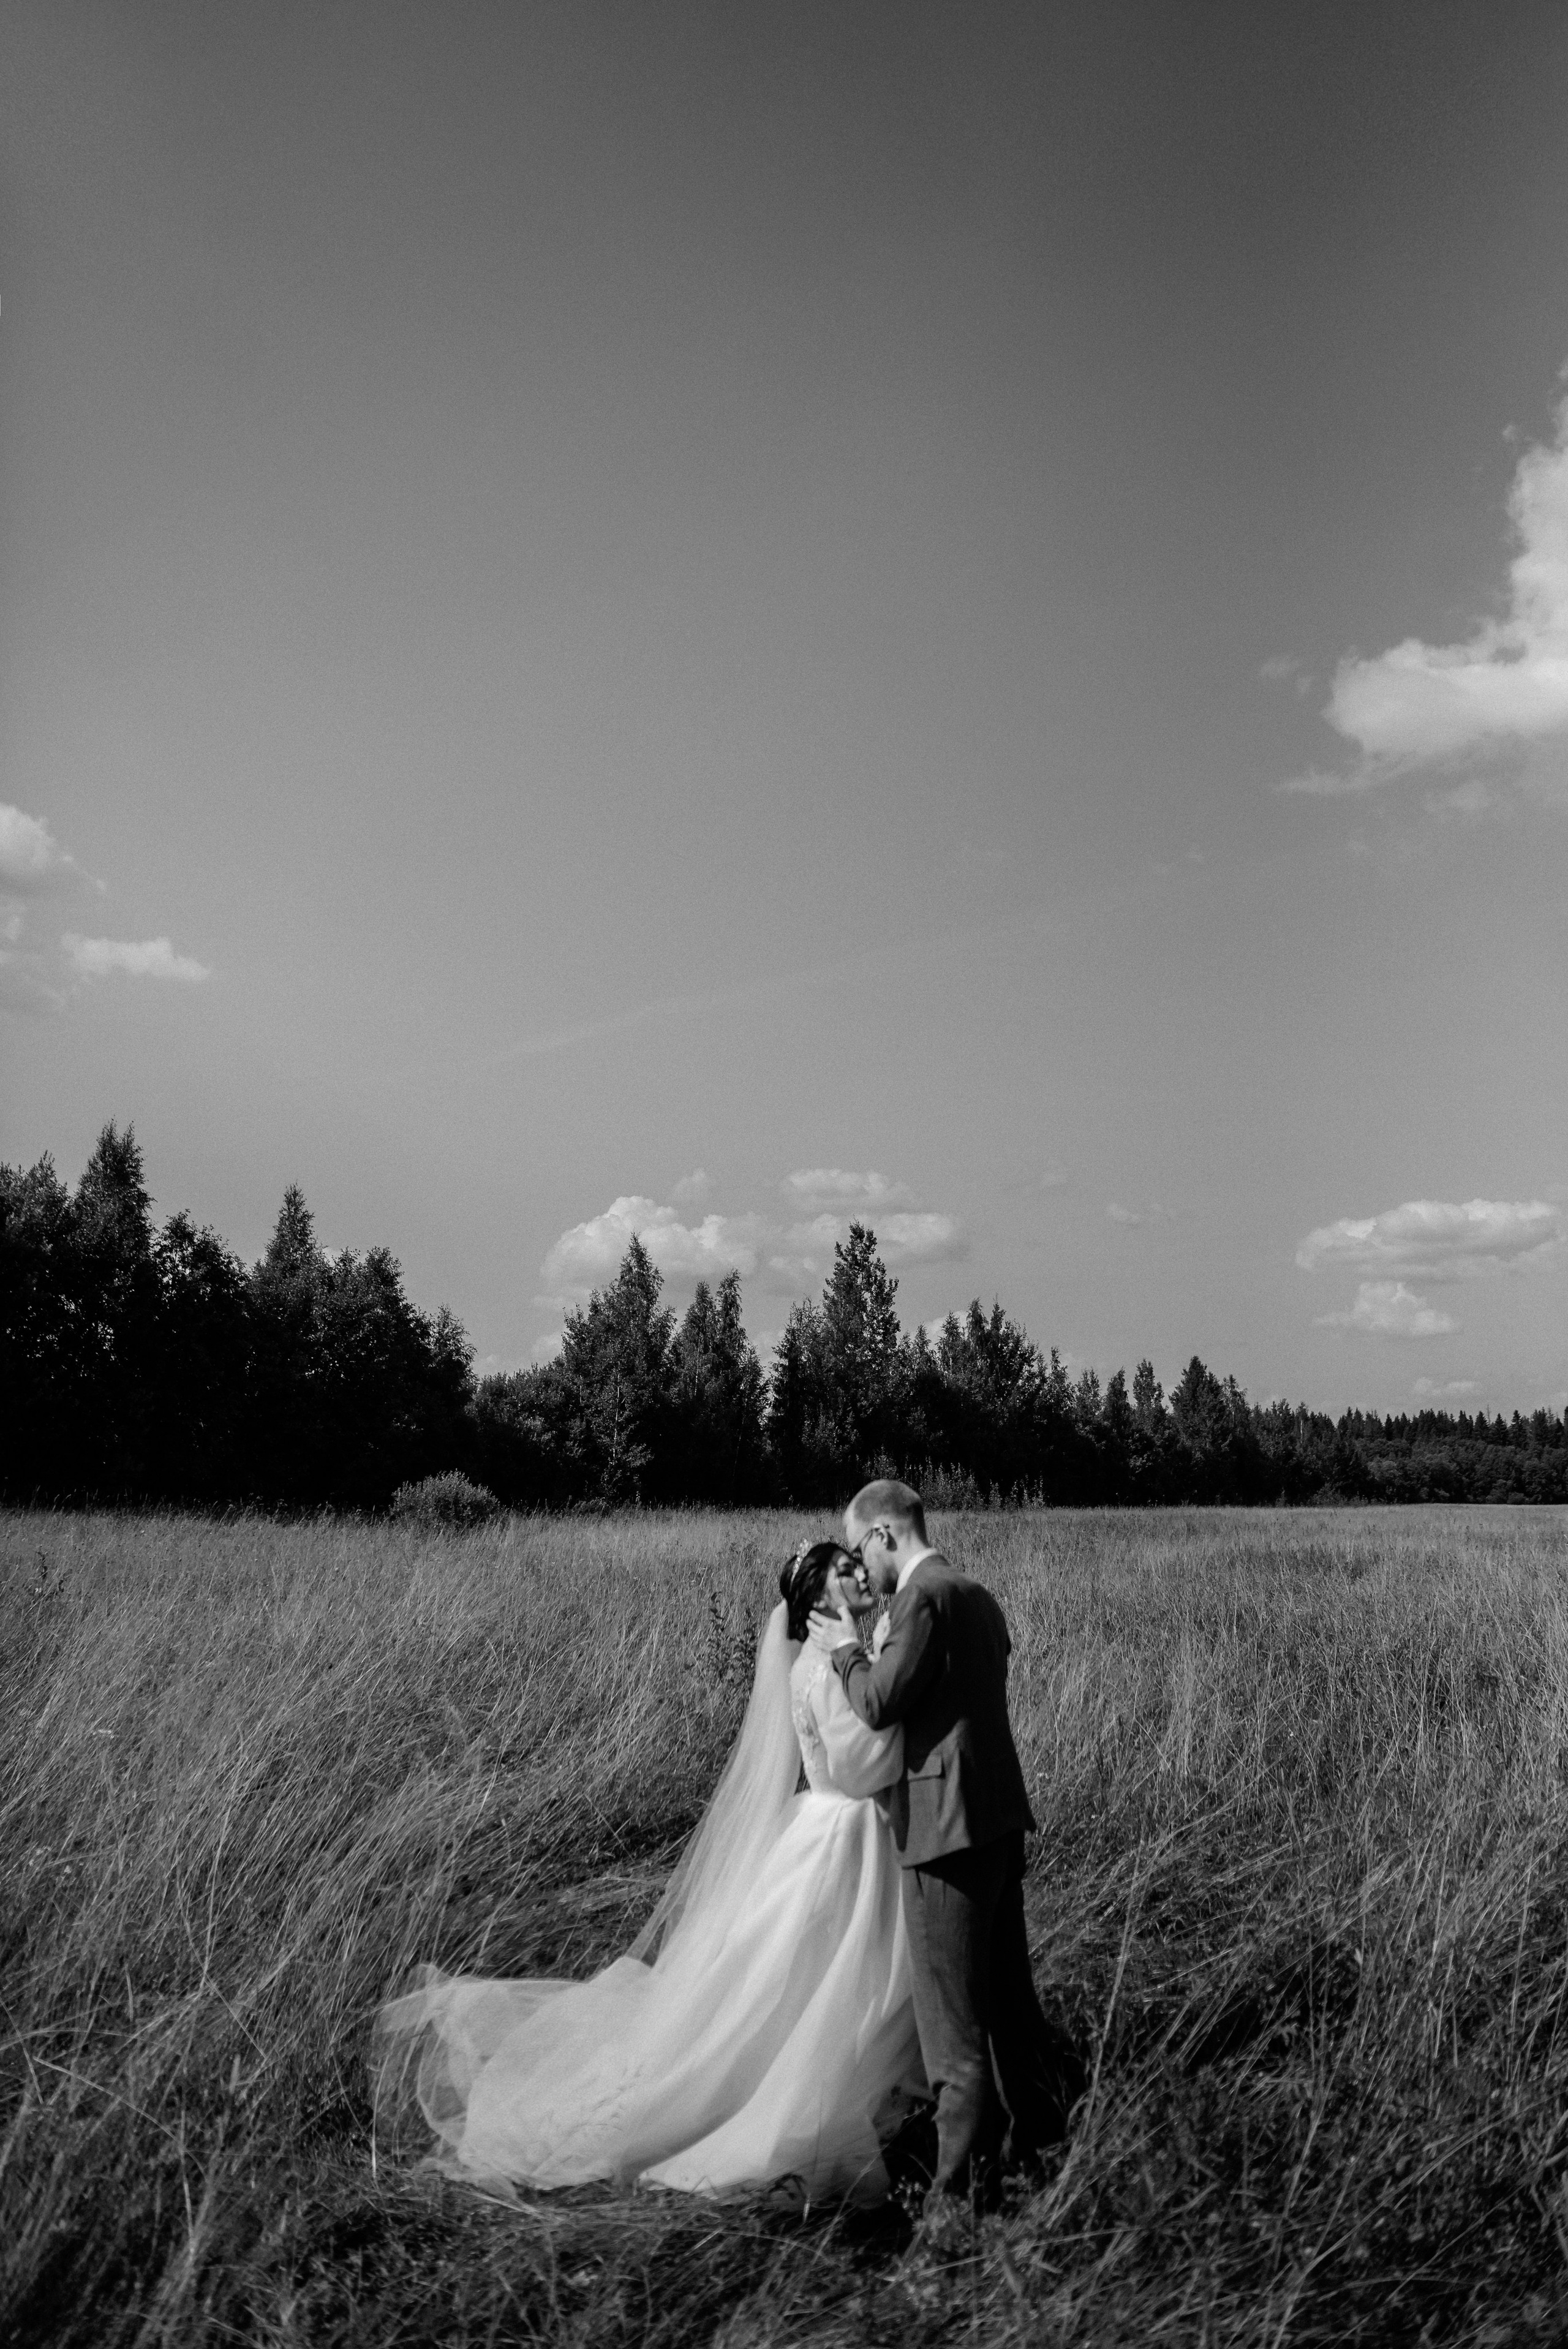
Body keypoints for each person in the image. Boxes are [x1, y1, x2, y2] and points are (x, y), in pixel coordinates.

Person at [374, 1541, 925, 2204]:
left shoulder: (824, 1659)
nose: (860, 1575)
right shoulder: (824, 1666)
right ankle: (791, 2097)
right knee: (813, 1978)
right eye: (844, 1570)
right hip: (843, 1834)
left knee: (813, 1974)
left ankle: (860, 2081)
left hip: (836, 1831)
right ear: (817, 1597)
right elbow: (861, 1767)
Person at [809, 1478, 1082, 2217]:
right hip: (996, 1824)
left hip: (942, 1832)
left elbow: (878, 1704)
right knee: (1012, 2015)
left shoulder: (921, 1600)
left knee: (951, 2040)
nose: (864, 1568)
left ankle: (954, 2211)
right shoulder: (980, 1595)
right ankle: (1044, 2161)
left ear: (885, 1533)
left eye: (862, 1546)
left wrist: (841, 1649)